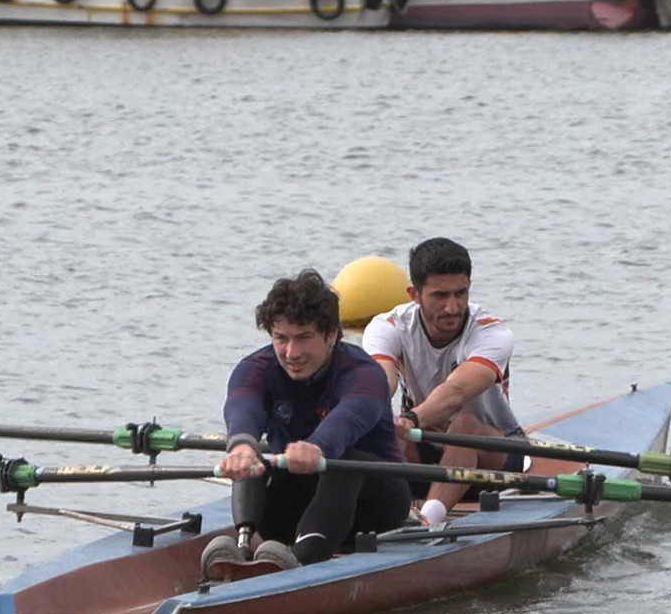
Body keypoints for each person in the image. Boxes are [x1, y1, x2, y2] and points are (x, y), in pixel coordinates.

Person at [200, 270, 412, 581]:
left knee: (343, 463)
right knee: (254, 455)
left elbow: (349, 417)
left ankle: (299, 564)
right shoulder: (254, 369)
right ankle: (243, 545)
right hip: (294, 506)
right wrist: (241, 446)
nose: (291, 353)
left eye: (303, 338)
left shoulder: (363, 373)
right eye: (280, 338)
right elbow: (242, 406)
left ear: (330, 335)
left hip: (375, 508)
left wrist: (317, 447)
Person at [363, 238, 526, 527]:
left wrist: (411, 419)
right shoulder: (387, 326)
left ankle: (428, 520)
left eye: (460, 293)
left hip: (496, 454)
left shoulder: (492, 333)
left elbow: (455, 393)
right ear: (414, 293)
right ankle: (371, 518)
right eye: (440, 296)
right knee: (381, 430)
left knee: (462, 425)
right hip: (423, 444)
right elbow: (380, 383)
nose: (452, 307)